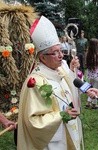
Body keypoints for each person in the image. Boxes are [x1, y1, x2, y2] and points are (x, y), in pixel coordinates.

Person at [17, 16, 83, 150]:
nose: (61, 55)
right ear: (42, 57)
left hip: (69, 131)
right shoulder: (35, 82)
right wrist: (62, 115)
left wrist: (72, 71)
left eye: (61, 51)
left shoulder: (59, 72)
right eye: (55, 52)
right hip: (52, 141)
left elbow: (69, 90)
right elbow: (33, 121)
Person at [85, 38, 98, 109]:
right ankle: (94, 104)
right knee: (96, 90)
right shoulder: (97, 54)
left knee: (91, 88)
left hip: (90, 74)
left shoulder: (87, 53)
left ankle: (88, 102)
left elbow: (86, 64)